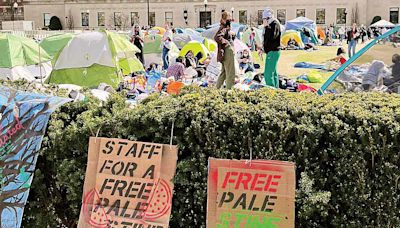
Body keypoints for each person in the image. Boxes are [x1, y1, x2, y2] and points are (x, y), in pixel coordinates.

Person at [214, 11, 236, 89]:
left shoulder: (226, 27)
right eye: (229, 17)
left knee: (224, 73)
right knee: (230, 72)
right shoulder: (223, 27)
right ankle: (230, 91)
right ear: (224, 19)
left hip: (226, 51)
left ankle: (216, 89)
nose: (230, 19)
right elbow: (217, 37)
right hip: (228, 50)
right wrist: (227, 43)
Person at [262, 7, 282, 88]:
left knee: (268, 73)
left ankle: (271, 90)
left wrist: (267, 27)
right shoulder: (272, 24)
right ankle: (276, 89)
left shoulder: (275, 24)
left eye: (264, 19)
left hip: (273, 51)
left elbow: (272, 37)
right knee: (273, 72)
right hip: (272, 51)